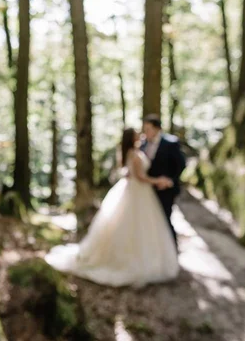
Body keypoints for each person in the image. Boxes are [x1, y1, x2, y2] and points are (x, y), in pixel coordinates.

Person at [45, 128, 179, 287]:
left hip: (137, 192)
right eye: (136, 133)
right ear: (131, 137)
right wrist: (159, 181)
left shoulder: (132, 152)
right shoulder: (134, 154)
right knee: (135, 227)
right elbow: (141, 177)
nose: (140, 134)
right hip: (137, 191)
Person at [141, 114, 186, 248]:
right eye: (145, 129)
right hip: (148, 190)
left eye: (148, 129)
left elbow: (181, 164)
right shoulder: (142, 144)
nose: (146, 132)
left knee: (165, 219)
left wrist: (170, 181)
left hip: (166, 190)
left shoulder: (170, 142)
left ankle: (173, 249)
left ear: (157, 129)